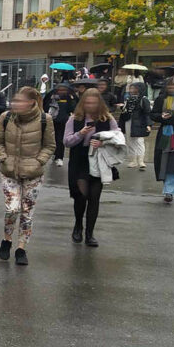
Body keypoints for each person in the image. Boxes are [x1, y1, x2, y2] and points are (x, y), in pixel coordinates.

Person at [0, 87, 55, 266]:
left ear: (31, 103)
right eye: (14, 100)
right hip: (10, 171)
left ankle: (21, 248)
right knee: (12, 208)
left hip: (33, 173)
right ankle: (7, 239)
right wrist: (4, 158)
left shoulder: (45, 119)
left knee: (27, 212)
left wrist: (38, 162)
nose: (15, 104)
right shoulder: (6, 117)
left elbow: (50, 145)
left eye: (20, 101)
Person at [64, 88, 120, 246]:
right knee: (81, 196)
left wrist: (103, 142)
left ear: (99, 103)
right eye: (88, 103)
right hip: (80, 160)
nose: (91, 106)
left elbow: (118, 137)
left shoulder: (107, 119)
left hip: (99, 159)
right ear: (83, 103)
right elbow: (66, 142)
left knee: (94, 198)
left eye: (94, 103)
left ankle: (90, 233)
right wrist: (80, 133)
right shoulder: (75, 119)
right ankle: (78, 226)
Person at [119, 82, 151, 170]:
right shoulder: (127, 99)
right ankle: (133, 160)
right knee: (129, 141)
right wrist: (122, 107)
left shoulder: (144, 99)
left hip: (139, 123)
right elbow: (125, 112)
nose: (132, 90)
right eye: (131, 88)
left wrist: (148, 124)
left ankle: (141, 160)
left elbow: (147, 113)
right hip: (128, 121)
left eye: (134, 88)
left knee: (139, 141)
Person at [43, 82, 76, 166]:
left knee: (60, 139)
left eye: (64, 89)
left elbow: (72, 108)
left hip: (63, 121)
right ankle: (54, 153)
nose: (62, 91)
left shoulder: (69, 97)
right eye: (60, 89)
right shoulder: (51, 96)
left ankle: (59, 157)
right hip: (52, 120)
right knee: (52, 138)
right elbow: (45, 106)